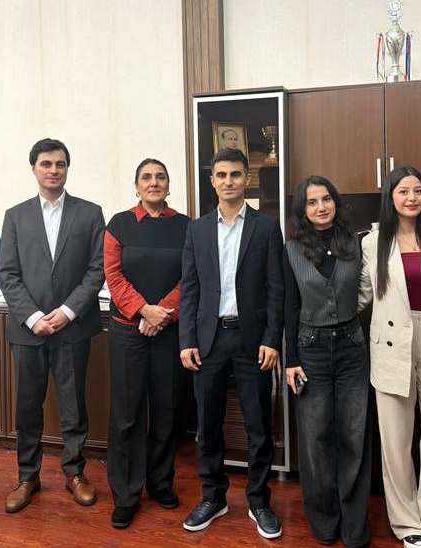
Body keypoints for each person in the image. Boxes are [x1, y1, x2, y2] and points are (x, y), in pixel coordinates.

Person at [179, 148, 284, 539]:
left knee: (258, 426)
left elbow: (276, 289)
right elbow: (190, 289)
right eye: (221, 175)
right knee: (208, 424)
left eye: (235, 174)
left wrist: (272, 339)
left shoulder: (266, 228)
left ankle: (259, 501)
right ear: (212, 181)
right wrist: (186, 339)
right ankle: (213, 497)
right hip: (208, 340)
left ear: (246, 179)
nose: (228, 181)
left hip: (252, 340)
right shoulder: (197, 230)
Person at [0, 138, 105, 513]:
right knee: (28, 406)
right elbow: (7, 273)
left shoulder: (90, 213)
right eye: (46, 164)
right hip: (28, 330)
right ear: (34, 169)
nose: (53, 170)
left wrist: (67, 311)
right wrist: (33, 317)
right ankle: (28, 476)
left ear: (67, 169)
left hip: (72, 327)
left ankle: (75, 472)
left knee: (74, 405)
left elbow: (96, 270)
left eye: (60, 164)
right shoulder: (15, 215)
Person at [357, 167, 421, 548]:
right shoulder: (373, 242)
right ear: (391, 197)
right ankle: (408, 525)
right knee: (396, 440)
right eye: (403, 191)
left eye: (418, 190)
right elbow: (362, 294)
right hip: (390, 342)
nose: (412, 198)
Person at [103, 158, 190, 528]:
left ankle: (160, 483)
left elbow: (192, 276)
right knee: (127, 414)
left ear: (168, 184)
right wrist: (143, 311)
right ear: (136, 186)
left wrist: (162, 314)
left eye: (160, 177)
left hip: (169, 331)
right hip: (127, 331)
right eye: (146, 177)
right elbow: (113, 275)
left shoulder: (185, 226)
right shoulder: (119, 224)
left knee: (166, 410)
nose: (154, 183)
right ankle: (126, 494)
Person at [284, 176, 370, 547]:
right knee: (315, 439)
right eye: (312, 202)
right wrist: (290, 359)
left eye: (327, 199)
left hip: (352, 348)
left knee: (354, 436)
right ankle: (323, 519)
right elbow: (289, 306)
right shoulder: (290, 249)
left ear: (336, 202)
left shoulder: (356, 243)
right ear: (302, 210)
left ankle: (354, 524)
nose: (321, 207)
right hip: (310, 351)